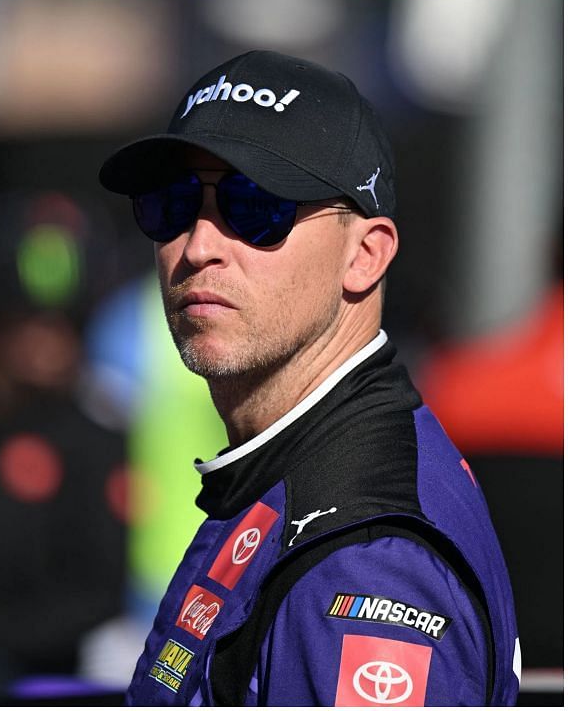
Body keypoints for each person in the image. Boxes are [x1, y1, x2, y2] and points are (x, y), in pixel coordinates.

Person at [97, 50, 519, 706]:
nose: (199, 245)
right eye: (172, 204)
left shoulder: (366, 558)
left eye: (254, 206)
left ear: (366, 254)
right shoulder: (290, 464)